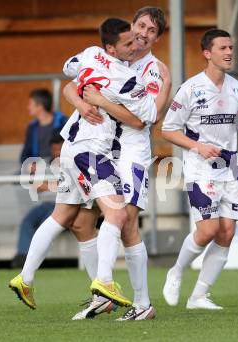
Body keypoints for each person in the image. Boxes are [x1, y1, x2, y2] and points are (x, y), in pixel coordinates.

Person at [8, 18, 158, 313]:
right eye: (127, 43)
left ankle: (24, 278)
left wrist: (81, 97)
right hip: (91, 152)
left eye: (136, 40)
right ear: (110, 48)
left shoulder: (90, 54)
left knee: (63, 215)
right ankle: (104, 281)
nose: (133, 46)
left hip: (71, 148)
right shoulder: (123, 78)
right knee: (116, 214)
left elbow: (68, 71)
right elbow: (147, 114)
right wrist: (92, 99)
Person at [63, 7, 170, 321]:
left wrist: (101, 101)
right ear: (132, 25)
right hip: (97, 146)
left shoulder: (153, 70)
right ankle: (103, 295)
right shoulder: (110, 53)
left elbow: (142, 120)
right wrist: (83, 103)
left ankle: (140, 302)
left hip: (131, 152)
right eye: (141, 25)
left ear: (157, 37)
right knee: (80, 223)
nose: (143, 33)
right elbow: (70, 85)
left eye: (152, 30)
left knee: (128, 223)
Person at [161, 29, 238, 310]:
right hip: (200, 168)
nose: (229, 52)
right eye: (222, 48)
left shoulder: (237, 88)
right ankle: (176, 271)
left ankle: (198, 296)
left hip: (229, 166)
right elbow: (168, 130)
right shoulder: (190, 89)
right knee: (208, 229)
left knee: (227, 233)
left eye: (231, 47)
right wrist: (197, 147)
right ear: (207, 53)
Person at [11, 134, 64, 268]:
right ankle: (22, 256)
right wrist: (57, 185)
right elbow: (37, 186)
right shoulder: (43, 163)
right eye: (54, 149)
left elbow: (70, 187)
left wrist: (48, 184)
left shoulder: (72, 164)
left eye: (60, 149)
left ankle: (35, 261)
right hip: (44, 204)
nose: (57, 152)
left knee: (45, 226)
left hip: (61, 206)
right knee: (27, 222)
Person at [20, 89, 67, 164]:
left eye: (30, 104)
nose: (28, 107)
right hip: (38, 167)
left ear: (40, 106)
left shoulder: (63, 122)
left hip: (60, 166)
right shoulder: (32, 127)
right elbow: (25, 154)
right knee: (16, 174)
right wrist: (29, 164)